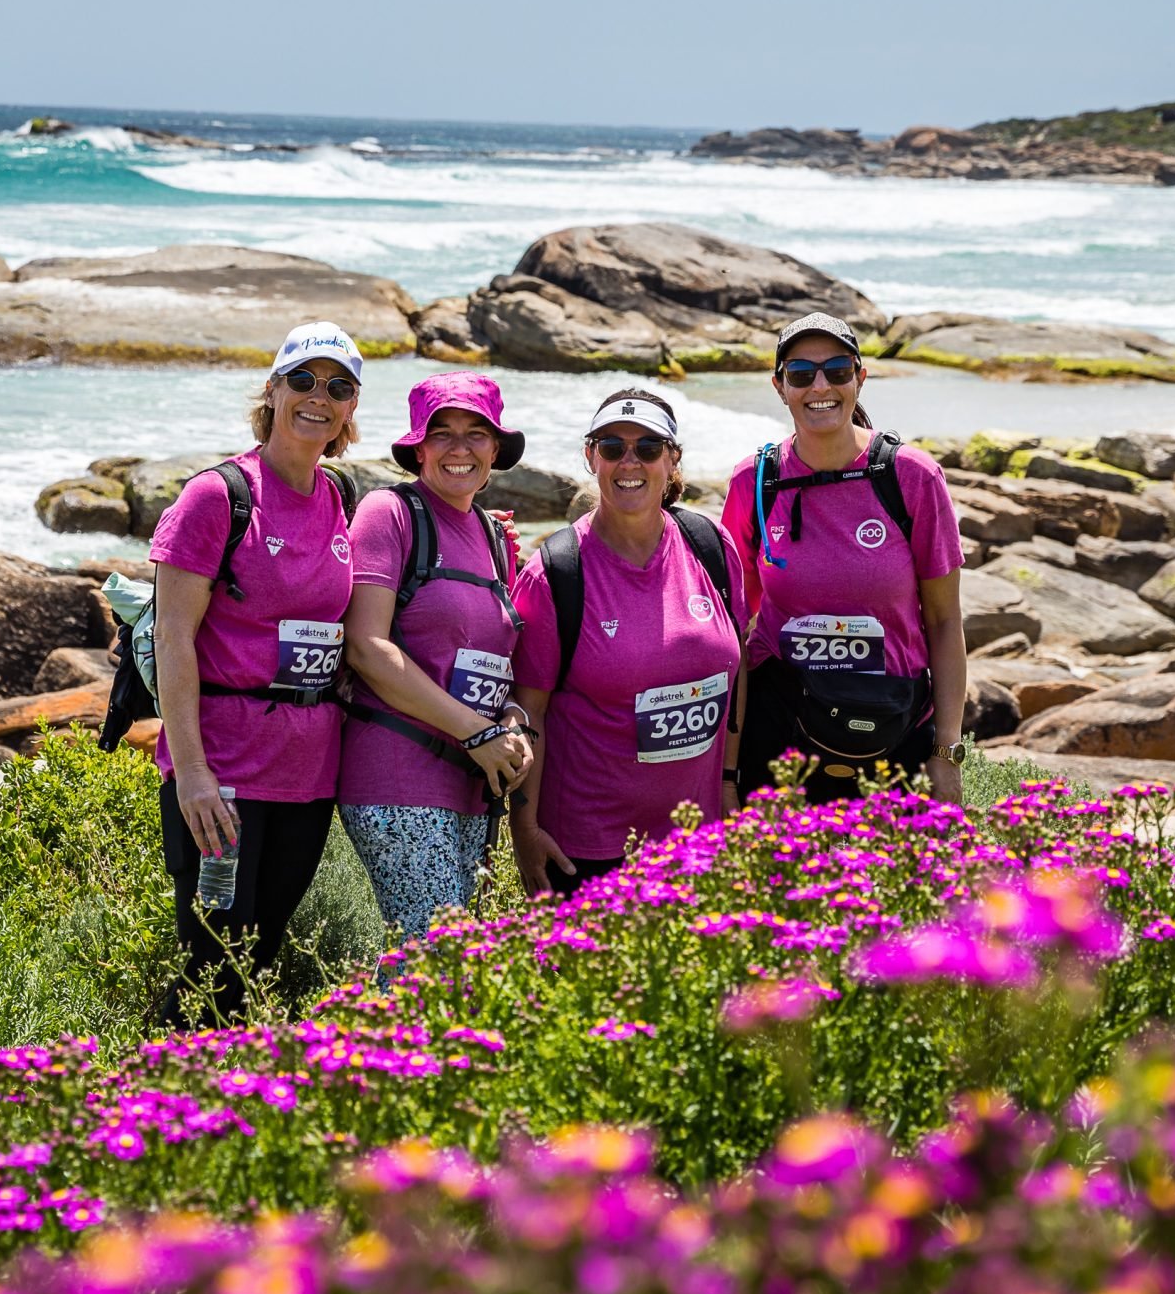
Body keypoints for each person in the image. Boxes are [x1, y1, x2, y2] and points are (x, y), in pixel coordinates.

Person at [149, 321, 362, 1017]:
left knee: (261, 957)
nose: (317, 398)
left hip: (306, 777)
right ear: (272, 390)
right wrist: (194, 772)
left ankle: (229, 1111)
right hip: (225, 775)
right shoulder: (219, 496)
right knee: (213, 966)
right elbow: (174, 637)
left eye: (338, 387)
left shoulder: (342, 498)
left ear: (352, 407)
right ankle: (160, 1107)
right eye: (302, 379)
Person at [722, 312, 967, 804]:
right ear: (779, 385)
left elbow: (943, 620)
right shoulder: (754, 481)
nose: (820, 386)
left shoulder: (911, 477)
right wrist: (726, 771)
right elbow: (733, 629)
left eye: (836, 370)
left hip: (894, 727)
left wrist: (946, 753)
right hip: (780, 731)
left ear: (859, 377)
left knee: (899, 880)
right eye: (800, 374)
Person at [510, 388, 747, 896]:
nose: (629, 462)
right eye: (612, 447)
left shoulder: (712, 547)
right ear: (590, 457)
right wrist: (524, 830)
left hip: (695, 842)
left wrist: (728, 782)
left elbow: (737, 669)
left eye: (648, 447)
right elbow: (530, 713)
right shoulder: (555, 573)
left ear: (673, 459)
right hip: (588, 850)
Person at [338, 372, 537, 936]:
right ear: (417, 447)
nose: (459, 448)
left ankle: (356, 1029)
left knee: (442, 964)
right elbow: (366, 646)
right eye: (441, 433)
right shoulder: (390, 513)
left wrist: (511, 723)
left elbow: (495, 659)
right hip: (398, 775)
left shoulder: (497, 539)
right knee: (436, 957)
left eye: (476, 433)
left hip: (472, 784)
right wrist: (478, 732)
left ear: (496, 449)